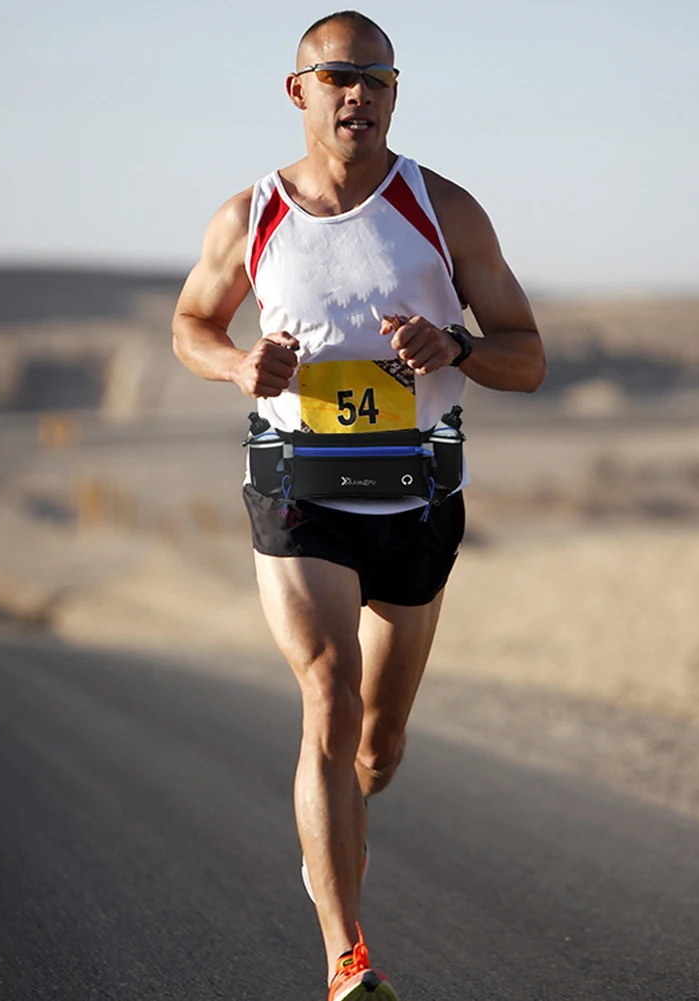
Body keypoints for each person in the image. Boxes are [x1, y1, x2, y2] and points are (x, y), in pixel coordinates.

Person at [171, 10, 546, 998]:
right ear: (296, 93)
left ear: (393, 93)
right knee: (327, 690)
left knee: (375, 746)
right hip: (299, 487)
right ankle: (347, 956)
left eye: (378, 77)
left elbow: (527, 355)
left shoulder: (442, 210)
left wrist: (457, 347)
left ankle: (339, 833)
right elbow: (189, 324)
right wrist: (239, 362)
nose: (359, 93)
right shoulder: (248, 218)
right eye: (338, 75)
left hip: (418, 494)